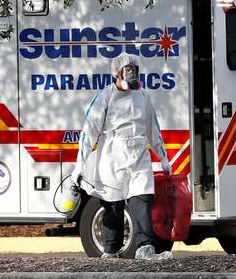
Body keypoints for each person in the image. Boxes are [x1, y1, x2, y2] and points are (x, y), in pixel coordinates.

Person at [72, 53, 173, 260]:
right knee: (113, 206)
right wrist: (79, 165)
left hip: (138, 155)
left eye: (134, 71)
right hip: (112, 155)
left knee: (142, 199)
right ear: (116, 74)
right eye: (127, 71)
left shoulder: (143, 96)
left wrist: (162, 156)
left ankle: (145, 247)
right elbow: (89, 131)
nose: (131, 75)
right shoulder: (104, 97)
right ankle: (111, 250)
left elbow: (152, 128)